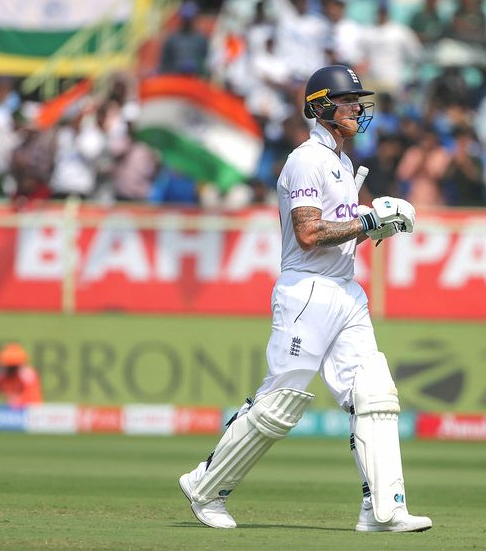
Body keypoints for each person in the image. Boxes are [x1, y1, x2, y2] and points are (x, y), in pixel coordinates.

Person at [178, 65, 431, 533]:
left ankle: (383, 509)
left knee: (374, 393)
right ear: (320, 106)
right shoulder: (306, 159)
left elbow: (341, 231)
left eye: (357, 101)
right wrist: (369, 220)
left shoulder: (340, 162)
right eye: (347, 100)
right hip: (307, 290)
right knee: (281, 402)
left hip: (346, 289)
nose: (356, 108)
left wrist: (378, 223)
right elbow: (309, 233)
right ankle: (205, 487)